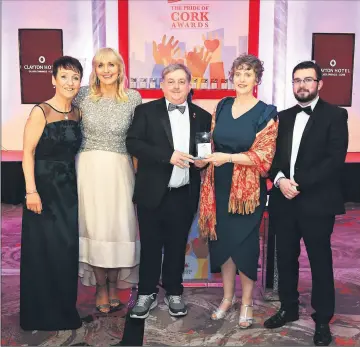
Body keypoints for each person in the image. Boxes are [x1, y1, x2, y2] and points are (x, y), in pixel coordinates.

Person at [264, 61, 349, 346]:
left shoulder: (336, 116)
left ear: (319, 84)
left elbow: (334, 161)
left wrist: (298, 184)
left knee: (319, 260)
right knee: (285, 258)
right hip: (283, 200)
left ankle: (322, 318)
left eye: (308, 80)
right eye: (297, 80)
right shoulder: (282, 117)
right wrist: (279, 181)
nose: (302, 85)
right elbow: (271, 159)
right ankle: (288, 307)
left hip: (317, 202)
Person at [198, 54, 278, 328]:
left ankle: (247, 303)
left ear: (257, 79)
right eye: (239, 73)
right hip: (218, 185)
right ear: (232, 76)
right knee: (224, 245)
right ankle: (227, 298)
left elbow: (264, 157)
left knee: (244, 246)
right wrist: (205, 159)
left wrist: (228, 158)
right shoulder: (222, 106)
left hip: (247, 194)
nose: (242, 79)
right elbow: (211, 143)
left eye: (249, 73)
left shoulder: (266, 112)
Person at [126, 63, 211, 319]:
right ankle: (146, 293)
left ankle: (174, 292)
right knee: (150, 245)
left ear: (189, 85)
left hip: (184, 193)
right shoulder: (145, 112)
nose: (176, 86)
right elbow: (133, 142)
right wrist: (167, 156)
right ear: (162, 85)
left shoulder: (202, 115)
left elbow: (203, 151)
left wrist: (202, 161)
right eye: (170, 81)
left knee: (177, 246)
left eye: (181, 81)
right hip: (152, 192)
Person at [74, 47, 142, 314]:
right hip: (89, 169)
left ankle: (114, 284)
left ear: (120, 68)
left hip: (120, 170)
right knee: (95, 229)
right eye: (100, 65)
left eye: (111, 65)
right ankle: (101, 287)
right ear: (94, 69)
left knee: (118, 229)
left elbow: (137, 142)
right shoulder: (82, 96)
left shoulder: (133, 98)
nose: (106, 70)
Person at [20, 56, 83, 330]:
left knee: (65, 250)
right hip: (43, 190)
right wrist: (30, 191)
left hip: (68, 189)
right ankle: (39, 314)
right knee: (42, 250)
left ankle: (63, 309)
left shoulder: (78, 113)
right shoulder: (41, 111)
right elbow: (27, 154)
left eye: (75, 77)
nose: (70, 82)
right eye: (65, 76)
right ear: (54, 80)